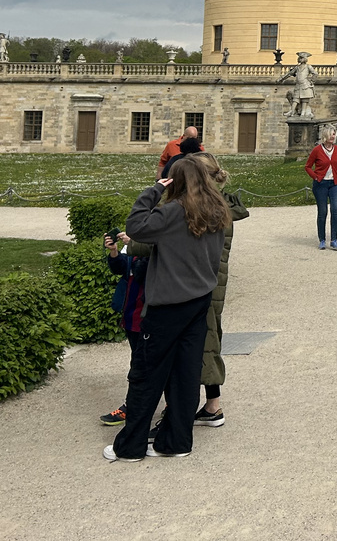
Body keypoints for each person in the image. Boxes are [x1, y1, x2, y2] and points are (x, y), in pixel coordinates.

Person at [104, 157, 231, 462]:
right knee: (184, 375)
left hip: (167, 305)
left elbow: (136, 226)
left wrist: (153, 191)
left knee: (146, 374)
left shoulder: (173, 212)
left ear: (174, 182)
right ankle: (176, 441)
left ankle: (130, 446)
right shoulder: (217, 211)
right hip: (198, 302)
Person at [191, 153, 248, 427]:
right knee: (209, 339)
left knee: (204, 342)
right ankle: (212, 405)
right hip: (213, 280)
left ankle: (206, 407)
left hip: (205, 282)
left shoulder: (210, 208)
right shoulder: (218, 203)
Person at [99, 227, 150, 427]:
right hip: (130, 312)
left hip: (147, 311)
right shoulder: (135, 240)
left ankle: (132, 407)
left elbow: (148, 270)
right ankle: (135, 404)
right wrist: (114, 251)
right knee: (138, 359)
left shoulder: (154, 241)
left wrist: (134, 245)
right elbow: (121, 267)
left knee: (143, 362)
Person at [304, 128, 337, 250]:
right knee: (322, 212)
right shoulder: (317, 150)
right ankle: (322, 239)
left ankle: (334, 239)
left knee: (336, 209)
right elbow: (307, 166)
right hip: (321, 184)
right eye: (330, 134)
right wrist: (316, 177)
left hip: (335, 184)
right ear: (325, 136)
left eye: (334, 134)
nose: (333, 137)